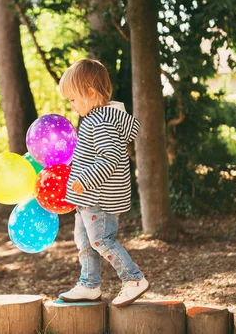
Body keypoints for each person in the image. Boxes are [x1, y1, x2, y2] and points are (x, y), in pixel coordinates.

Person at [57, 58, 149, 307]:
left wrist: (84, 179)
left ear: (90, 93)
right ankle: (89, 284)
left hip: (98, 198)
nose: (72, 105)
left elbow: (110, 158)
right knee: (85, 242)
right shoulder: (96, 118)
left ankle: (133, 279)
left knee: (101, 241)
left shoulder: (101, 121)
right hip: (87, 199)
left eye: (73, 99)